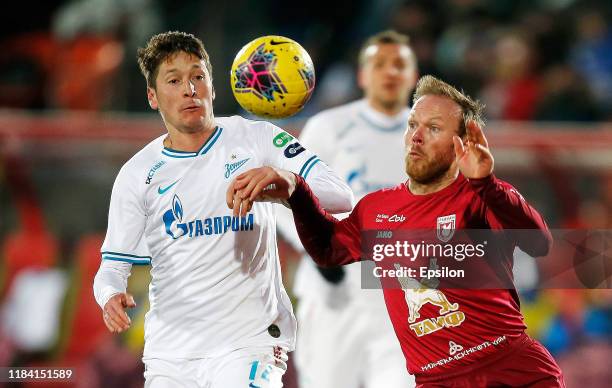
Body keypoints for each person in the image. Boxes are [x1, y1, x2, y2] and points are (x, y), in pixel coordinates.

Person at [228, 75, 566, 387]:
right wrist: (297, 192)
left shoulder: (480, 196)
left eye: (433, 128)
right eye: (413, 125)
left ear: (463, 142)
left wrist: (487, 184)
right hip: (436, 380)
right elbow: (329, 251)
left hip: (511, 369)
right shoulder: (377, 208)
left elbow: (539, 243)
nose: (416, 136)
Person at [93, 31, 353, 388]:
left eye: (198, 77)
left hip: (249, 343)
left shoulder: (258, 139)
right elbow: (112, 267)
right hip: (171, 353)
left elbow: (340, 196)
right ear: (153, 97)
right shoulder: (138, 173)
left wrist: (286, 182)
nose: (190, 89)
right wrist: (110, 296)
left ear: (213, 87)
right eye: (174, 80)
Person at [276, 30, 417, 388]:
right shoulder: (329, 128)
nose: (389, 73)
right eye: (379, 64)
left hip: (405, 300)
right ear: (362, 75)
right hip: (335, 296)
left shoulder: (435, 134)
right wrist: (320, 253)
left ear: (413, 76)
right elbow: (287, 199)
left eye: (399, 64)